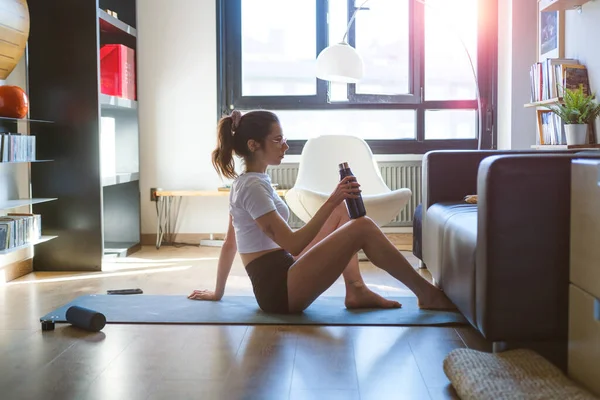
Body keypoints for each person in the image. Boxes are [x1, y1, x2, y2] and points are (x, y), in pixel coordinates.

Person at [188, 110, 456, 314]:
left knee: (342, 210)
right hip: (278, 291)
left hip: (285, 268)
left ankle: (356, 289)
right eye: (278, 139)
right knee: (360, 226)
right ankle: (426, 294)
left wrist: (217, 292)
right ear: (253, 145)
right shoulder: (252, 188)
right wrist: (330, 200)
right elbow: (293, 243)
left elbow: (229, 243)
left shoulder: (249, 182)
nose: (285, 145)